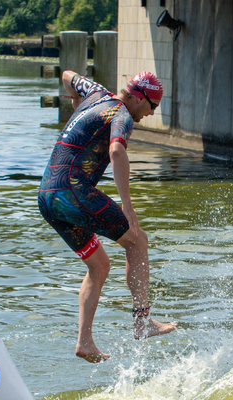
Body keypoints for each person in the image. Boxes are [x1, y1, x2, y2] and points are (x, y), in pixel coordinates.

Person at [38, 70, 176, 362]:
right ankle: (142, 322)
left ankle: (84, 342)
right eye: (153, 107)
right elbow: (116, 151)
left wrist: (78, 103)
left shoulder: (95, 93)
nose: (151, 114)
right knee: (137, 241)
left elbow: (66, 75)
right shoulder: (121, 114)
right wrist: (127, 203)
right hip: (73, 192)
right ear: (139, 98)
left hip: (47, 196)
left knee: (99, 265)